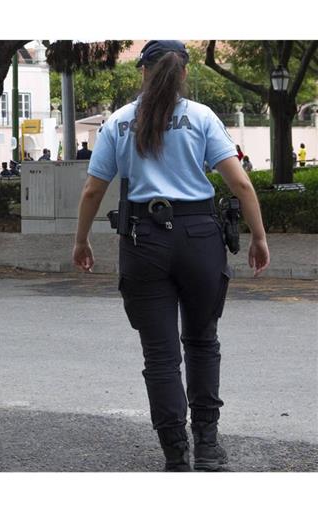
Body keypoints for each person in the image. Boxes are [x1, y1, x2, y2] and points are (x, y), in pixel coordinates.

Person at [72, 40, 270, 471]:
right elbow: (241, 184)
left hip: (143, 240)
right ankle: (209, 446)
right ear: (183, 73)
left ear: (142, 71)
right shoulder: (201, 117)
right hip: (199, 237)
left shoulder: (120, 121)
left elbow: (93, 188)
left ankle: (175, 452)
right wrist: (258, 236)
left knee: (160, 354)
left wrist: (81, 240)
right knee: (202, 341)